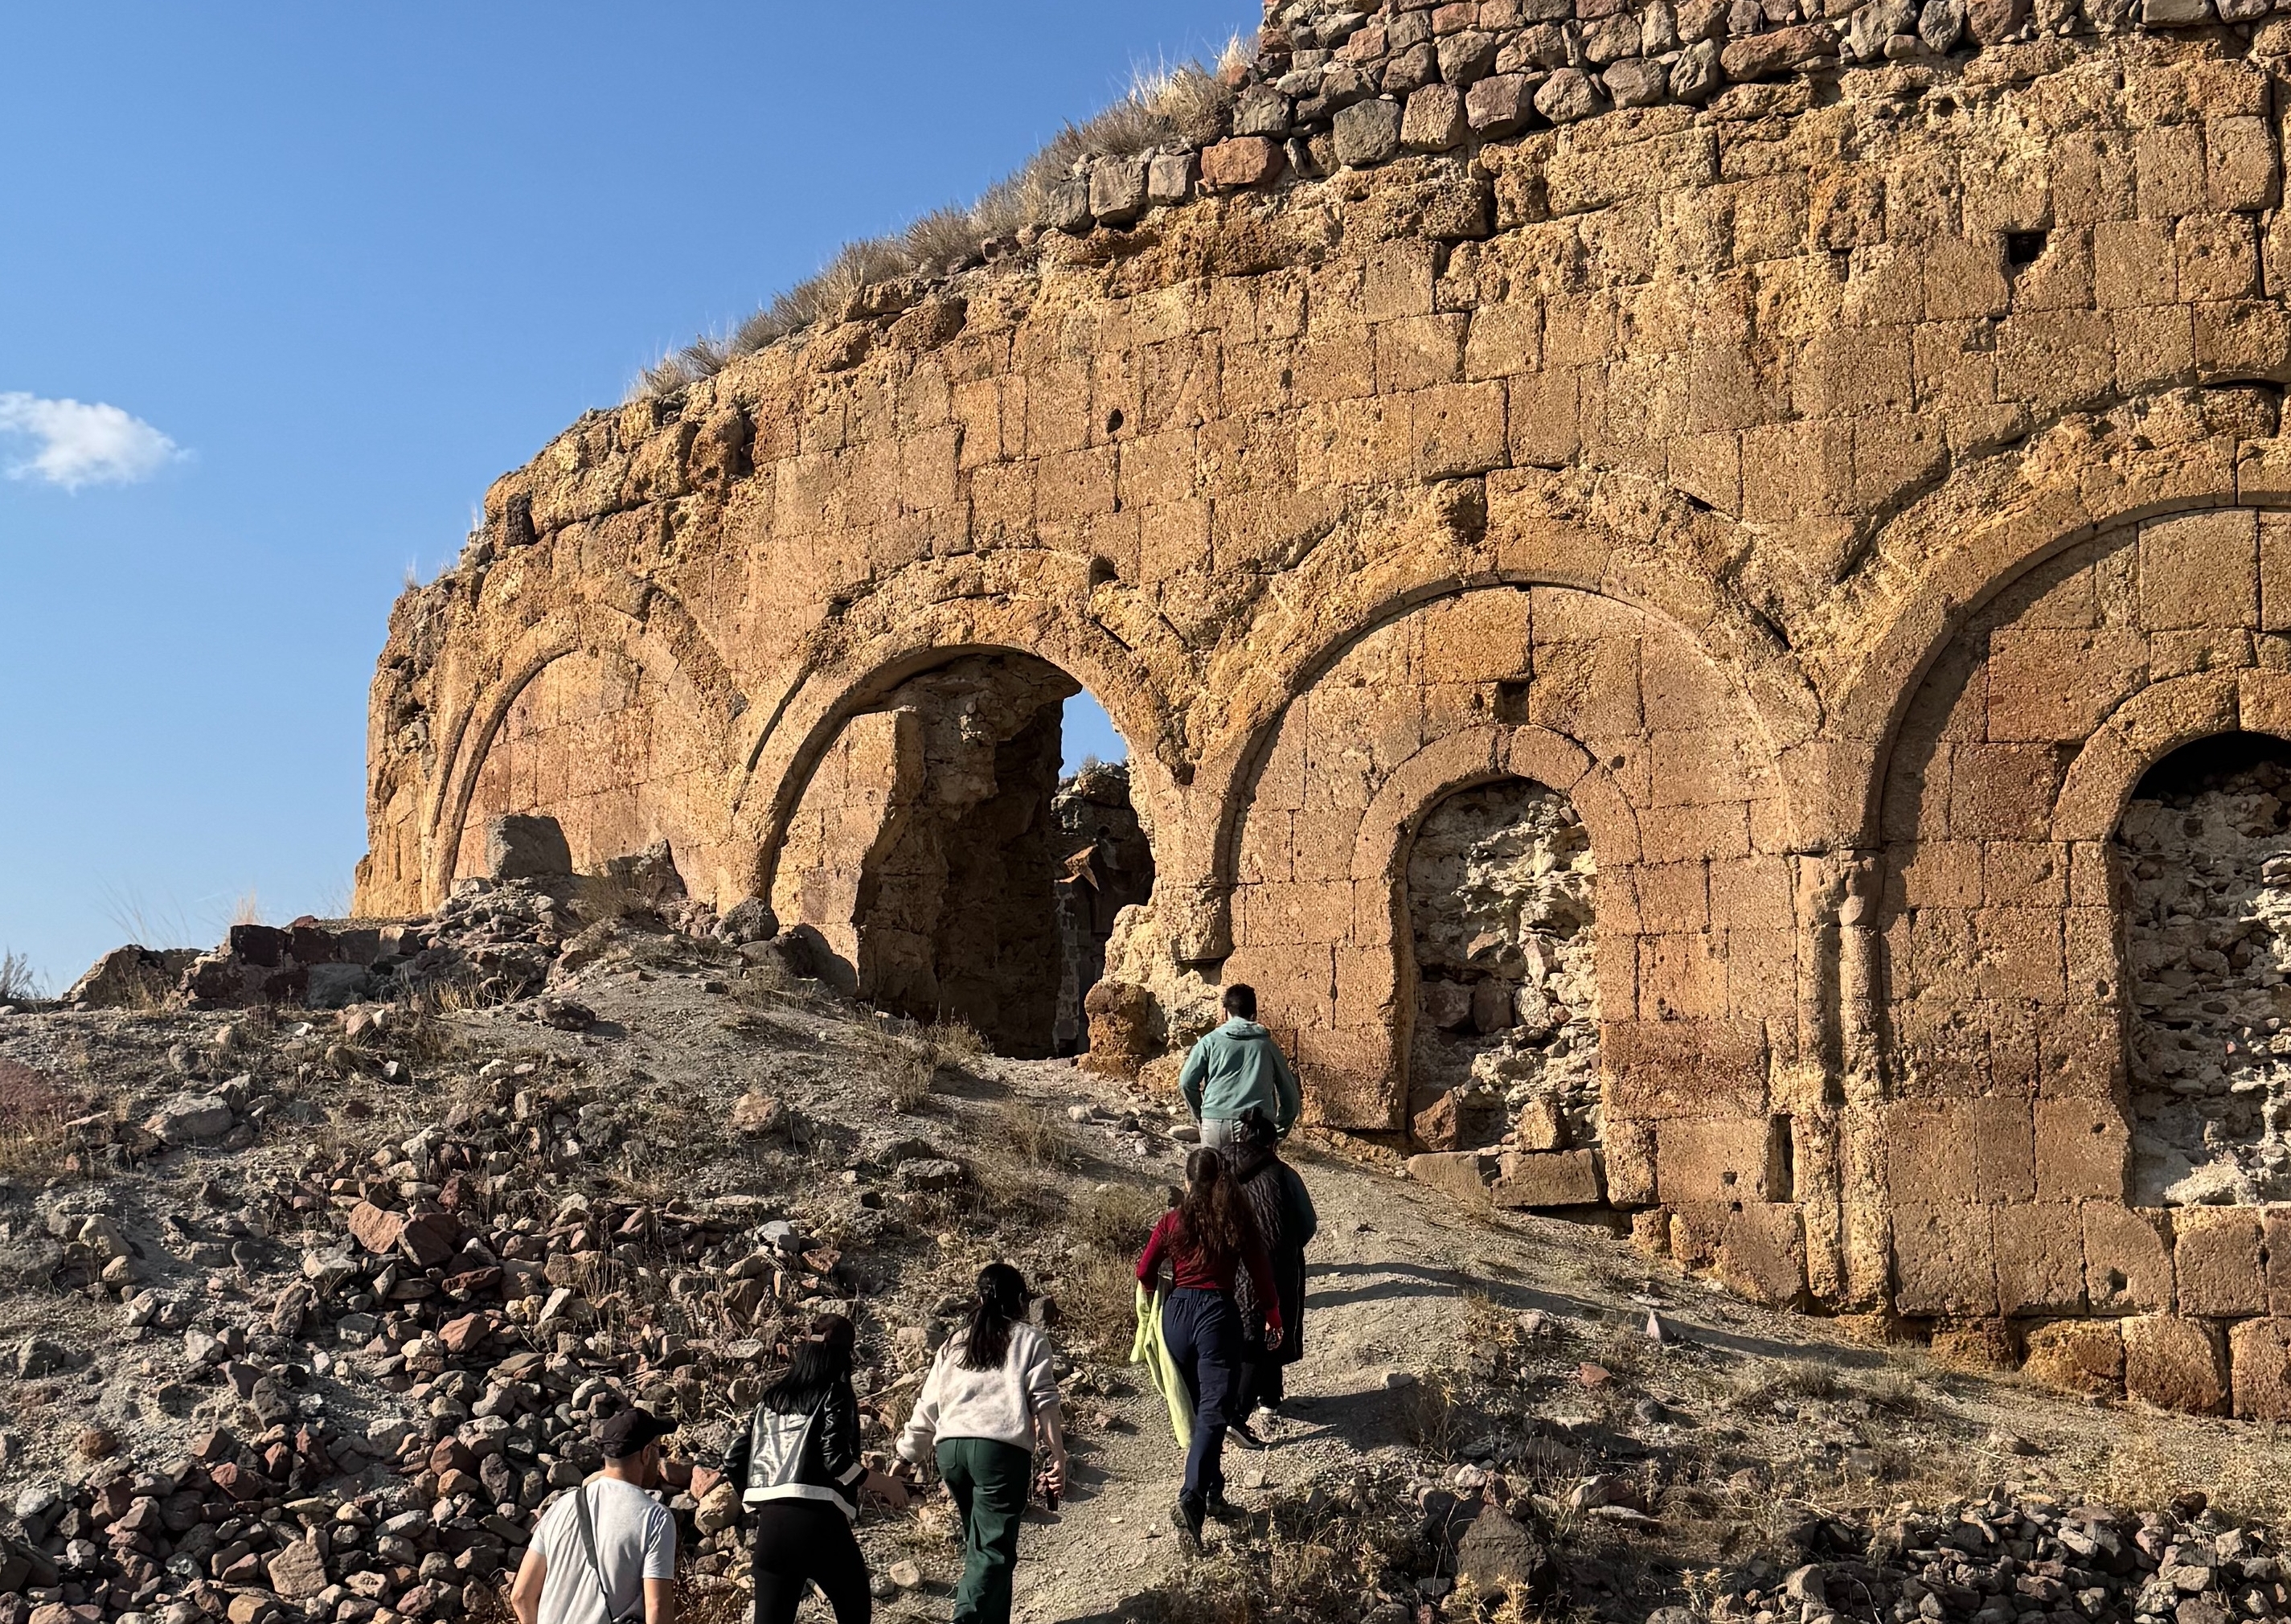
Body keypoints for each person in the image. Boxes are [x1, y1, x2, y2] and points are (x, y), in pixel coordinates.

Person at [897, 1263, 1068, 1624]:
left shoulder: (954, 1342)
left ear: (979, 1298)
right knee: (994, 1550)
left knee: (981, 1546)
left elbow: (929, 1403)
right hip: (999, 1452)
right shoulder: (1030, 1339)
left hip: (951, 1452)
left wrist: (908, 1453)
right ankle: (967, 1619)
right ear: (1022, 1301)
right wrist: (1058, 1456)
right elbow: (1045, 1402)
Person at [1135, 1147, 1282, 1550]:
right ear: (1223, 1182)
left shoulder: (1171, 1221)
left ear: (1187, 1182)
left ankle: (1214, 1495)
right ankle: (1191, 1499)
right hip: (1216, 1316)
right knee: (1215, 1413)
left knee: (1205, 1413)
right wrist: (1274, 1316)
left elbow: (1145, 1271)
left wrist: (1155, 1298)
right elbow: (1261, 1275)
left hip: (1177, 1317)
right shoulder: (1235, 1220)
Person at [719, 1314, 909, 1624]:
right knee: (854, 1612)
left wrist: (758, 1500)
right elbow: (835, 1460)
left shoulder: (771, 1398)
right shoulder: (836, 1392)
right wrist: (884, 1483)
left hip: (772, 1528)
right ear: (844, 1355)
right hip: (819, 1523)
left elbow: (732, 1459)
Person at [510, 1408, 678, 1624]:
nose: (659, 1458)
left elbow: (521, 1596)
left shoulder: (561, 1506)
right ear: (646, 1454)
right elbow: (657, 1608)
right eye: (659, 1450)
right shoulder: (655, 1518)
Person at [1225, 1108, 1318, 1446]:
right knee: (1265, 1334)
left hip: (1224, 1267)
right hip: (1272, 1267)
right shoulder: (1282, 1172)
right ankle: (1237, 1416)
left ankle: (1270, 1395)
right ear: (1272, 1143)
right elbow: (1308, 1224)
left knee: (1242, 1333)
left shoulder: (1216, 1169)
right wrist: (1287, 1248)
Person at [1178, 985, 1302, 1154]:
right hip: (1255, 1126)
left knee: (1215, 1178)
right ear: (1254, 1015)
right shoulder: (1267, 1046)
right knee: (1254, 1179)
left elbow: (1186, 1082)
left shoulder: (1209, 1042)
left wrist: (1202, 1114)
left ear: (1225, 1012)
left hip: (1215, 1124)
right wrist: (1279, 1132)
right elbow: (1290, 1099)